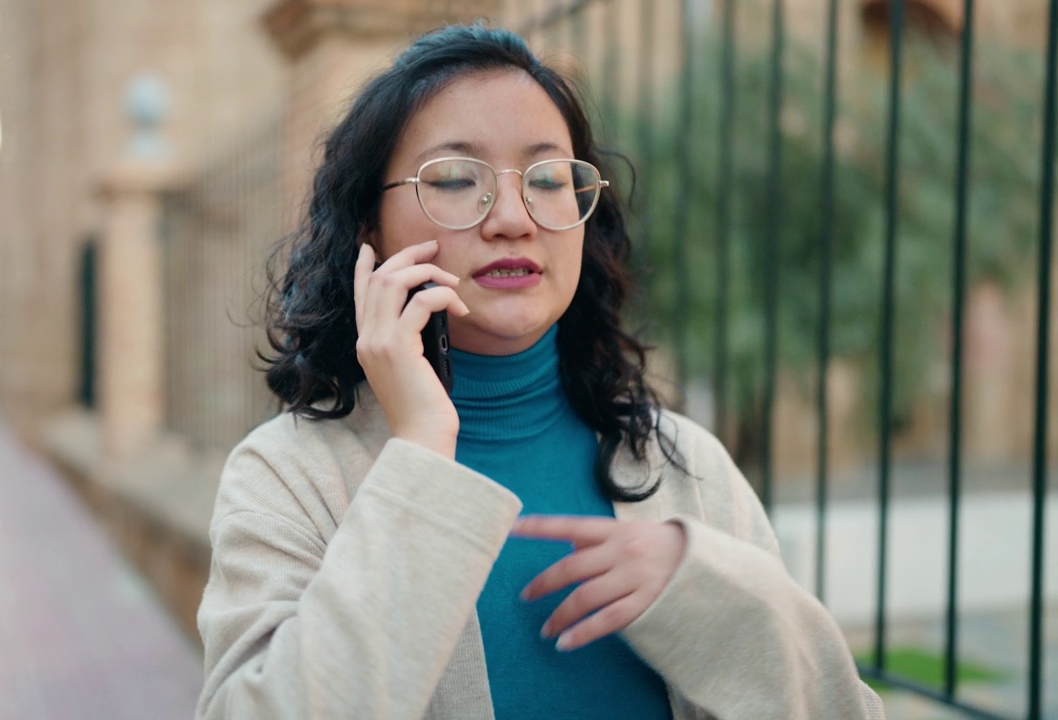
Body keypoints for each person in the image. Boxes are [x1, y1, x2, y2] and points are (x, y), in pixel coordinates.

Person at [195, 23, 884, 720]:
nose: (515, 219)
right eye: (458, 179)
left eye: (550, 179)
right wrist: (423, 450)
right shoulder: (287, 476)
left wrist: (715, 598)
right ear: (369, 229)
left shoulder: (687, 470)